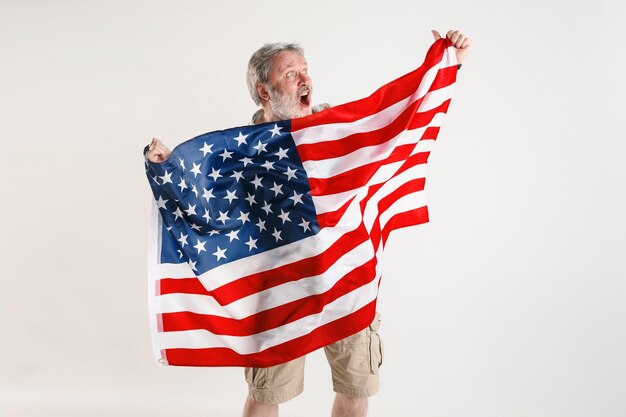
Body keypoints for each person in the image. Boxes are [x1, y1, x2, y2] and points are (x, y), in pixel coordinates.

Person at [146, 29, 471, 417]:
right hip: (281, 290)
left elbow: (395, 121)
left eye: (305, 70)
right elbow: (206, 203)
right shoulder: (244, 150)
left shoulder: (337, 127)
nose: (305, 80)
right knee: (266, 395)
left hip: (347, 280)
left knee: (356, 386)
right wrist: (168, 168)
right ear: (264, 91)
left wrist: (447, 66)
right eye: (290, 74)